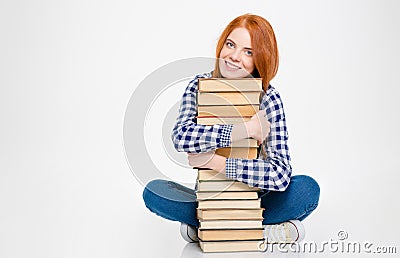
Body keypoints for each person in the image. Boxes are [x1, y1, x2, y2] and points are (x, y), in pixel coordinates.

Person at [142, 13, 320, 244]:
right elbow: (181, 137)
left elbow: (280, 175)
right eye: (230, 44)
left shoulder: (268, 98)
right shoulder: (199, 86)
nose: (234, 57)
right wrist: (244, 129)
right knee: (155, 192)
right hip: (210, 199)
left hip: (257, 200)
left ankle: (213, 230)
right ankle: (257, 230)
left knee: (307, 189)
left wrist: (215, 162)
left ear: (261, 59)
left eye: (248, 52)